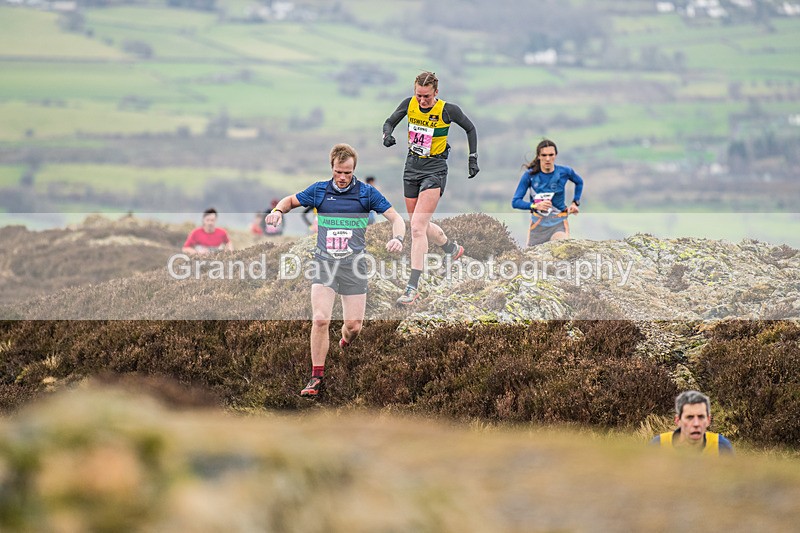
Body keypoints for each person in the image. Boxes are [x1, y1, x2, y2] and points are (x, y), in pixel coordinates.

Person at [264, 143, 405, 398]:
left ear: (354, 170)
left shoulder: (367, 193)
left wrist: (398, 238)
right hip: (325, 264)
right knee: (320, 319)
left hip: (354, 267)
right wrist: (277, 212)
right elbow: (290, 201)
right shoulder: (319, 190)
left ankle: (344, 341)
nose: (342, 178)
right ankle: (316, 377)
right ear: (332, 168)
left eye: (347, 173)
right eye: (338, 172)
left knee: (354, 327)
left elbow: (396, 218)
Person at [382, 70, 479, 306]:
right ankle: (451, 248)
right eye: (419, 95)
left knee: (416, 227)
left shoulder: (447, 110)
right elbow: (389, 122)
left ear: (436, 92)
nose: (422, 100)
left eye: (427, 96)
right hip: (411, 167)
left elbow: (470, 128)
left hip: (435, 170)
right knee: (419, 224)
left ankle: (412, 288)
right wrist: (387, 135)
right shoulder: (409, 104)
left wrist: (472, 158)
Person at [511, 139, 583, 247]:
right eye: (544, 155)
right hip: (537, 225)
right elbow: (515, 202)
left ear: (556, 155)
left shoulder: (565, 172)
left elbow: (579, 182)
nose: (548, 159)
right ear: (539, 156)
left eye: (551, 155)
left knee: (562, 248)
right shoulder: (529, 176)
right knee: (531, 257)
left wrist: (575, 203)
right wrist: (535, 205)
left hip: (558, 223)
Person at [650, 390, 734, 455]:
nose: (696, 423)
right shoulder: (659, 444)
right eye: (689, 417)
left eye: (701, 417)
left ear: (708, 420)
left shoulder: (720, 446)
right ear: (677, 420)